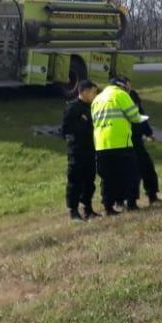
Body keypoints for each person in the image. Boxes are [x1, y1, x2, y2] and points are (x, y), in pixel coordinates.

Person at [91, 77, 144, 215]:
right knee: (130, 174)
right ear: (122, 86)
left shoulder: (97, 99)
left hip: (102, 144)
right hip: (121, 143)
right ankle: (130, 203)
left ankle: (108, 207)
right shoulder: (121, 94)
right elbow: (134, 116)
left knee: (107, 178)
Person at [62, 80, 100, 221]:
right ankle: (73, 211)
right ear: (84, 92)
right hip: (77, 150)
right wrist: (83, 124)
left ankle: (88, 208)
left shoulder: (93, 107)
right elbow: (66, 129)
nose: (94, 95)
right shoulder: (72, 108)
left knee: (89, 180)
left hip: (90, 148)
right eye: (93, 92)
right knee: (75, 180)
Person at [124, 77, 160, 205]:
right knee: (131, 172)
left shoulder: (133, 95)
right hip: (124, 140)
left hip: (137, 139)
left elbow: (141, 115)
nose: (128, 87)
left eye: (129, 85)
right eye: (126, 85)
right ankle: (130, 201)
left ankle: (152, 195)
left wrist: (148, 133)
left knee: (147, 167)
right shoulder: (117, 99)